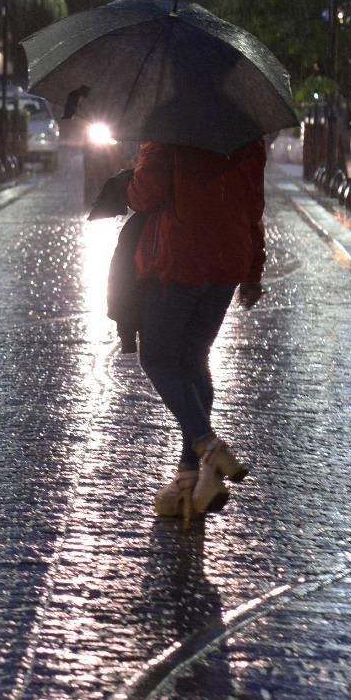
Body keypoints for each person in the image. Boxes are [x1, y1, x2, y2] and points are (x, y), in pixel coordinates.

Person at [127, 138, 267, 528]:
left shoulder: (167, 127)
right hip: (227, 261)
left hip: (178, 260)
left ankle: (208, 445)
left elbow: (146, 193)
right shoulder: (246, 134)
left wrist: (128, 182)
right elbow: (254, 205)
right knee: (192, 359)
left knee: (156, 356)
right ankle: (188, 481)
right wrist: (253, 270)